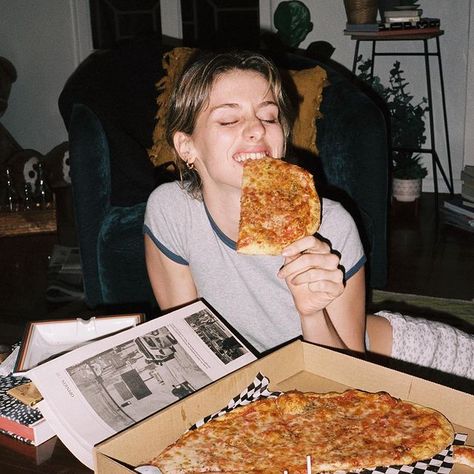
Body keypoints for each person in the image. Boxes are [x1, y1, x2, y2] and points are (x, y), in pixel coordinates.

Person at [144, 50, 474, 381]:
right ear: (187, 147)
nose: (257, 129)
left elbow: (347, 380)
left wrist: (312, 313)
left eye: (269, 117)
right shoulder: (171, 213)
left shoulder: (330, 226)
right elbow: (189, 345)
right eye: (229, 120)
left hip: (409, 362)